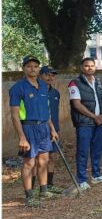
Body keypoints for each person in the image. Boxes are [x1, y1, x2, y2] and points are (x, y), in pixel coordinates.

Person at [9, 55, 60, 207]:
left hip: (44, 127)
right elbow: (14, 115)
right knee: (29, 163)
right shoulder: (18, 88)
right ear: (23, 68)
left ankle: (44, 191)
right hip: (29, 128)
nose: (33, 69)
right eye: (29, 66)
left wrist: (52, 129)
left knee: (43, 160)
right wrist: (22, 137)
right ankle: (29, 196)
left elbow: (47, 111)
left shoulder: (43, 86)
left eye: (35, 66)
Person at [67, 57, 102, 191]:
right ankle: (81, 179)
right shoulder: (75, 83)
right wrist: (94, 117)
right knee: (83, 151)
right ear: (82, 67)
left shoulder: (98, 82)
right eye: (87, 66)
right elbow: (77, 104)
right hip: (84, 122)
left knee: (97, 149)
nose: (90, 68)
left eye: (92, 66)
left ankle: (96, 175)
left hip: (99, 122)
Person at [38, 66, 63, 195]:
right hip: (39, 129)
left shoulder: (55, 93)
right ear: (40, 75)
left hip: (54, 130)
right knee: (39, 159)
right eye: (47, 74)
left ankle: (50, 184)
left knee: (52, 157)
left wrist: (56, 129)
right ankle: (37, 187)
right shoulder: (37, 91)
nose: (50, 77)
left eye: (53, 75)